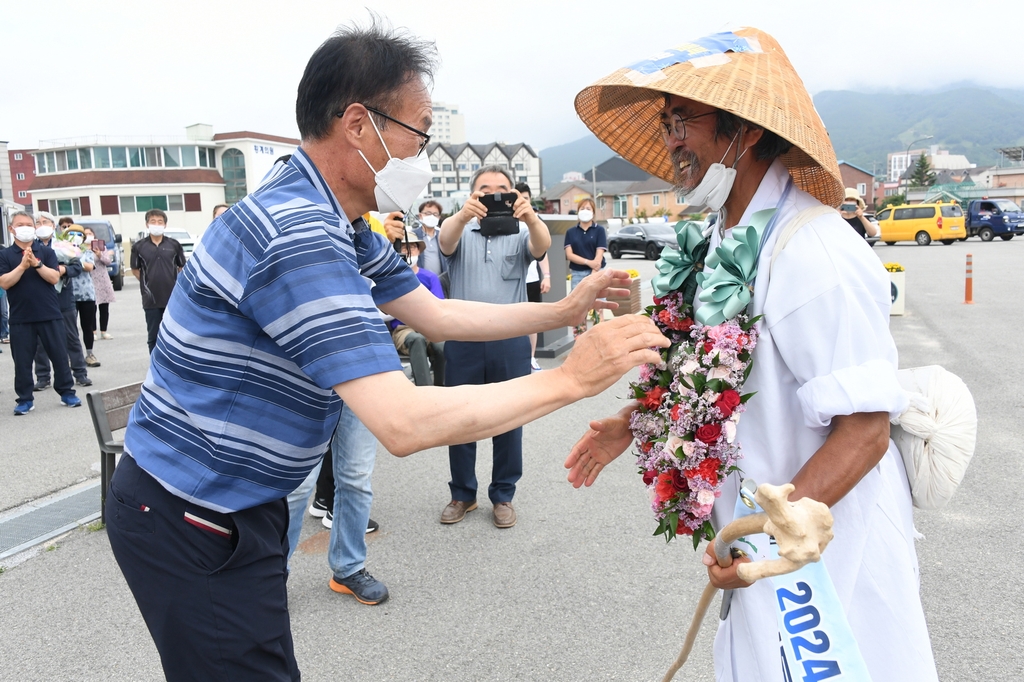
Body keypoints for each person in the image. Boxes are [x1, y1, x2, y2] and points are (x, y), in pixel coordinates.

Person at [104, 21, 666, 682]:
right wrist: (571, 377)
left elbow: (438, 313)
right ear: (357, 126)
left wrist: (564, 310)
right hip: (191, 510)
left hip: (224, 501)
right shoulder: (301, 234)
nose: (424, 152)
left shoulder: (334, 215)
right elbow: (402, 422)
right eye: (420, 131)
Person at [566, 27, 937, 681]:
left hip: (822, 547)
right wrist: (635, 421)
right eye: (666, 121)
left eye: (683, 120)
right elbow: (699, 367)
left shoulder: (815, 252)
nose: (671, 139)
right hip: (760, 536)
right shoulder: (719, 242)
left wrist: (760, 537)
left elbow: (866, 432)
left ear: (748, 131)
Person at [437, 165, 551, 529]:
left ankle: (503, 495)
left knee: (509, 420)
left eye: (502, 188)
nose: (493, 193)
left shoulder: (520, 232)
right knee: (461, 418)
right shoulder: (461, 229)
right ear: (472, 194)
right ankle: (462, 494)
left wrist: (531, 217)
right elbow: (444, 242)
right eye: (484, 188)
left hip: (510, 342)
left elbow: (542, 245)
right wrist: (462, 214)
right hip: (464, 339)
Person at [0, 212, 81, 414]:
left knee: (60, 356)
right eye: (20, 225)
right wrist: (22, 265)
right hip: (20, 318)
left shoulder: (45, 252)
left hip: (49, 314)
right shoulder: (5, 255)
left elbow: (54, 278)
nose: (25, 227)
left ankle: (67, 393)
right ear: (12, 229)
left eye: (29, 224)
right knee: (22, 361)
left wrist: (36, 264)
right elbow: (5, 282)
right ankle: (25, 399)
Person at [32, 212, 92, 388]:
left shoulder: (65, 245)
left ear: (53, 226)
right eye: (38, 222)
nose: (41, 225)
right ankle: (43, 377)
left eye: (45, 222)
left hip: (63, 298)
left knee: (71, 337)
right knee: (40, 341)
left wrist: (64, 270)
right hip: (39, 299)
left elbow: (77, 267)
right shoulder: (31, 247)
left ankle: (80, 373)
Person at [389, 227, 445, 386]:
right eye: (405, 247)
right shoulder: (392, 278)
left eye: (412, 246)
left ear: (419, 250)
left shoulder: (430, 277)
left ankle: (443, 388)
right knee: (416, 339)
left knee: (441, 345)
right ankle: (425, 390)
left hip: (429, 325)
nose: (408, 250)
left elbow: (438, 304)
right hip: (403, 328)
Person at [129, 209, 185, 353]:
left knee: (174, 334)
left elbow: (181, 266)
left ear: (165, 225)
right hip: (151, 299)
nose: (156, 224)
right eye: (153, 221)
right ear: (147, 224)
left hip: (172, 297)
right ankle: (155, 366)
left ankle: (173, 365)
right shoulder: (139, 246)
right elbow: (135, 269)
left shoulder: (174, 245)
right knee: (153, 335)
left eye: (160, 222)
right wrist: (147, 282)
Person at [517, 183, 550, 370]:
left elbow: (542, 252)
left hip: (531, 280)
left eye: (526, 198)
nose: (522, 202)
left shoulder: (535, 222)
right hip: (513, 281)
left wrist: (547, 276)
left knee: (532, 320)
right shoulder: (508, 221)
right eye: (519, 198)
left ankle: (531, 357)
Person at [563, 197, 605, 337]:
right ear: (578, 211)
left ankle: (599, 337)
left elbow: (599, 255)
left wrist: (594, 271)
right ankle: (580, 338)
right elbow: (570, 254)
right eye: (582, 208)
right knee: (579, 307)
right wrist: (588, 262)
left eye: (588, 209)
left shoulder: (599, 230)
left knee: (598, 307)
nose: (585, 211)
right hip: (578, 274)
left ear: (593, 212)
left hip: (597, 273)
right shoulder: (571, 232)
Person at [63, 225, 101, 367]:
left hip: (86, 293)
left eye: (79, 234)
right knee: (69, 328)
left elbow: (89, 266)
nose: (75, 236)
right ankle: (69, 356)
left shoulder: (87, 250)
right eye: (71, 234)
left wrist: (74, 261)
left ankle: (89, 354)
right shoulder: (62, 250)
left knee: (87, 325)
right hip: (68, 294)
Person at [82, 226, 116, 340]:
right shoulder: (80, 248)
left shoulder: (100, 247)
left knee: (104, 307)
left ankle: (104, 331)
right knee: (92, 308)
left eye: (90, 233)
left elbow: (108, 261)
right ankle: (93, 332)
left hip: (102, 279)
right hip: (89, 280)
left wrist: (99, 254)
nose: (88, 235)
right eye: (85, 234)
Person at [413, 199, 445, 274]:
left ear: (439, 217)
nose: (432, 216)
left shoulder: (443, 235)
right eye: (428, 213)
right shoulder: (413, 236)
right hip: (420, 280)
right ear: (420, 215)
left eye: (435, 214)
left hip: (441, 280)